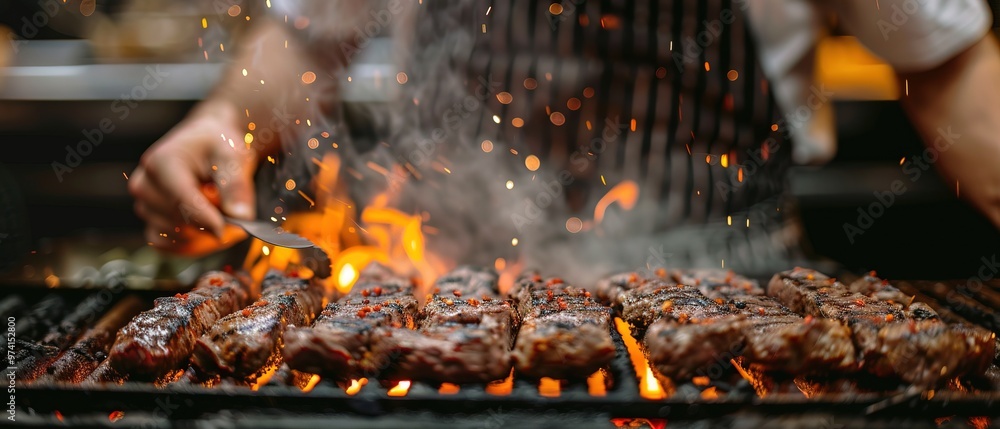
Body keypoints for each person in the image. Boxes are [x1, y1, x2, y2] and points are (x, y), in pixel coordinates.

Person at [127, 0, 1000, 278]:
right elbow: (308, 32)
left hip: (735, 297)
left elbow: (945, 61)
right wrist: (218, 125)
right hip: (451, 299)